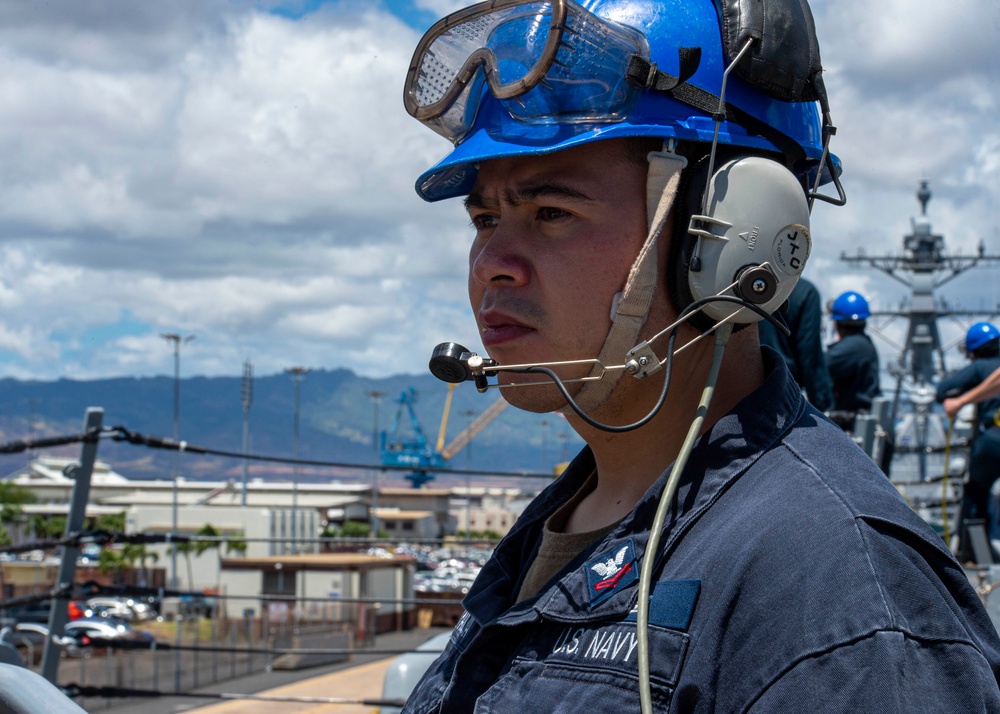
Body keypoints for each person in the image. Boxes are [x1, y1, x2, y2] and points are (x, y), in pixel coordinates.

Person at [400, 0, 1000, 710]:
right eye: (485, 218)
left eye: (552, 212)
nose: (492, 263)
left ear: (731, 236)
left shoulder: (834, 589)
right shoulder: (570, 522)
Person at [937, 321, 1000, 535]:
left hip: (994, 439)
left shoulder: (979, 367)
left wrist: (961, 399)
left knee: (976, 493)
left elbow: (943, 390)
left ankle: (976, 554)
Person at [758, 276, 834, 411]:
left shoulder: (731, 284)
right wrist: (823, 406)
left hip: (730, 395)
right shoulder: (805, 292)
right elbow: (810, 358)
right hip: (782, 398)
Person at [826, 290, 882, 417]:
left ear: (838, 324)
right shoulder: (863, 343)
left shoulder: (852, 347)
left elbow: (819, 366)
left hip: (853, 419)